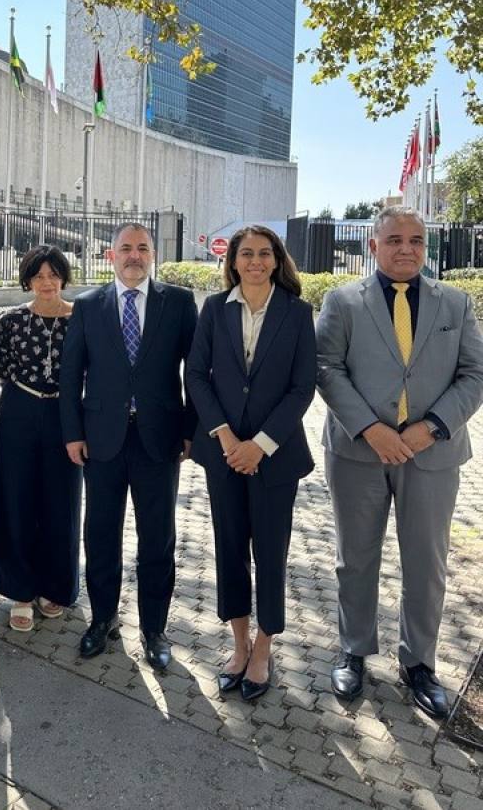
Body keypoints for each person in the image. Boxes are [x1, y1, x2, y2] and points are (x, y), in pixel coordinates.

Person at [317, 206, 483, 717]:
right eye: (394, 239)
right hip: (358, 452)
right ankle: (355, 649)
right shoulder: (342, 301)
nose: (406, 248)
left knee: (426, 563)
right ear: (373, 245)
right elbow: (326, 366)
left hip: (431, 454)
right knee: (356, 558)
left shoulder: (456, 303)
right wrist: (371, 428)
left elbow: (475, 374)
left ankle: (419, 664)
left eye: (415, 239)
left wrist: (429, 427)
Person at [59, 222, 198, 670]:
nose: (134, 255)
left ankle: (155, 629)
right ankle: (102, 620)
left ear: (152, 254)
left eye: (142, 248)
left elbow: (195, 374)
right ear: (110, 255)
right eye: (126, 248)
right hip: (101, 440)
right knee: (100, 534)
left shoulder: (177, 303)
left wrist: (191, 430)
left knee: (157, 538)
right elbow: (70, 376)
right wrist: (72, 432)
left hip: (159, 439)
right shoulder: (87, 306)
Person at [186, 226, 316, 701]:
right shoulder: (214, 310)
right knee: (230, 551)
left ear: (277, 260)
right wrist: (225, 435)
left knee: (270, 555)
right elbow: (197, 375)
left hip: (274, 458)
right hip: (223, 454)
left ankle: (264, 647)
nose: (256, 261)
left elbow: (302, 388)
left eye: (265, 253)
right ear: (234, 262)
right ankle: (238, 645)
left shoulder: (299, 313)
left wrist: (259, 444)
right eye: (247, 254)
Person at [0, 246, 82, 632]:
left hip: (66, 415)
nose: (47, 282)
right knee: (17, 499)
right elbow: (3, 369)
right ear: (27, 279)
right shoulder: (9, 322)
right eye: (39, 275)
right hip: (19, 411)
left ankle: (54, 585)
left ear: (63, 277)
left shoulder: (82, 319)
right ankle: (21, 591)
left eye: (54, 274)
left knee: (61, 502)